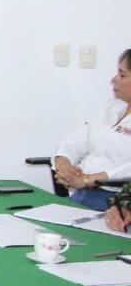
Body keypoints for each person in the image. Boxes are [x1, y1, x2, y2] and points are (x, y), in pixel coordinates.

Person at [52, 48, 131, 211]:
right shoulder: (112, 107)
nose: (113, 80)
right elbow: (75, 140)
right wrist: (64, 164)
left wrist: (90, 179)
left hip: (115, 202)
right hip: (81, 192)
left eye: (122, 75)